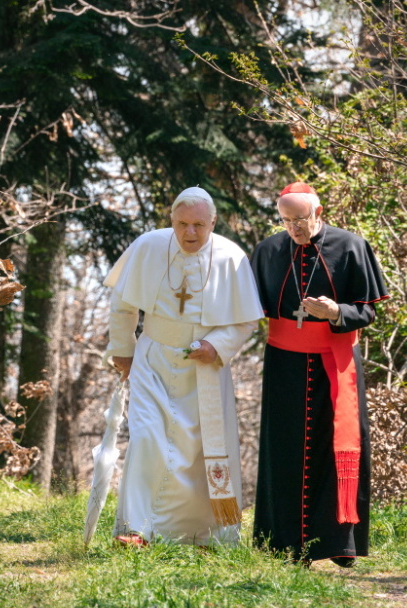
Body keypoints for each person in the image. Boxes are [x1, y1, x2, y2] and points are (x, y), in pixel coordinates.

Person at [103, 187, 263, 546]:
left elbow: (244, 321)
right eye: (182, 224)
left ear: (213, 223)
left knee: (198, 452)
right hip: (153, 359)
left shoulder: (230, 257)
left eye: (199, 225)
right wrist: (123, 350)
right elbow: (124, 304)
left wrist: (215, 346)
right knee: (146, 439)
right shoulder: (148, 246)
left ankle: (203, 535)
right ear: (171, 221)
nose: (190, 233)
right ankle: (137, 529)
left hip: (204, 369)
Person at [250, 182, 389, 567]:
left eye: (301, 219)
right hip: (284, 364)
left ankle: (338, 544)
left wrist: (336, 313)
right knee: (284, 451)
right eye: (286, 220)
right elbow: (248, 306)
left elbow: (368, 311)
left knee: (337, 448)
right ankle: (284, 544)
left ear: (319, 212)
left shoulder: (350, 246)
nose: (294, 228)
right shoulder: (267, 251)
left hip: (336, 360)